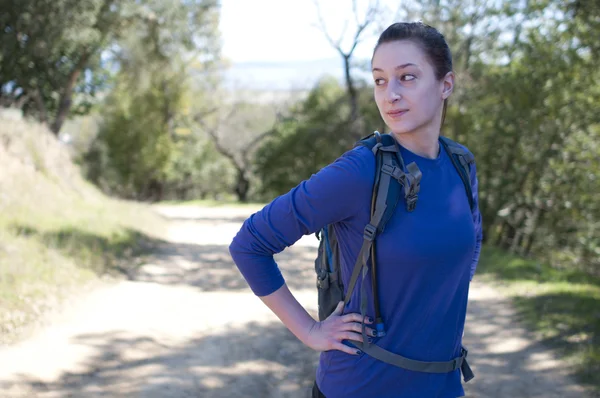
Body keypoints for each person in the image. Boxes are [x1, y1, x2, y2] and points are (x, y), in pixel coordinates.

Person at [229, 21, 483, 398]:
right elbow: (249, 243)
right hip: (360, 387)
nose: (390, 94)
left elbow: (469, 246)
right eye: (380, 80)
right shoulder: (360, 171)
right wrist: (311, 331)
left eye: (407, 77)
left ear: (446, 84)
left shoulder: (461, 165)